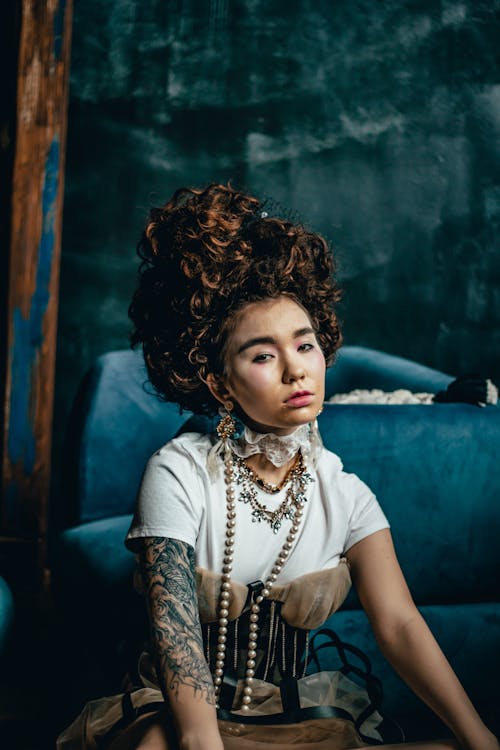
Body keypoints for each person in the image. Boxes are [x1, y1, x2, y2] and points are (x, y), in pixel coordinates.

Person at [58, 184, 498, 750]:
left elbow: (400, 624)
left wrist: (478, 735)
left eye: (305, 344)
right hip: (184, 717)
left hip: (300, 715)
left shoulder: (346, 493)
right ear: (219, 381)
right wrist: (200, 739)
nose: (296, 370)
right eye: (262, 355)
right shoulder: (177, 471)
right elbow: (177, 637)